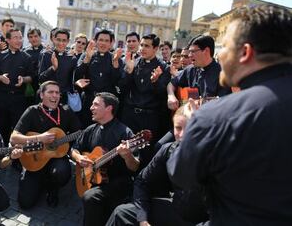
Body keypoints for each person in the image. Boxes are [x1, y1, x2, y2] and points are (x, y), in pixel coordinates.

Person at [167, 5, 292, 225]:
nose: (221, 54)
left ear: (245, 53)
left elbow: (181, 174)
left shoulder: (214, 118)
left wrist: (192, 128)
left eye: (225, 47)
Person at [106, 103, 208, 226]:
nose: (182, 135)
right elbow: (142, 181)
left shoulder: (218, 156)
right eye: (178, 128)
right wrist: (143, 219)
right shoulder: (168, 150)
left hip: (206, 219)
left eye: (189, 128)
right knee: (122, 213)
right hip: (178, 210)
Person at [10, 81, 81, 208]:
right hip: (34, 158)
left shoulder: (66, 110)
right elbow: (14, 138)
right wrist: (40, 138)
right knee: (25, 203)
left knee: (62, 173)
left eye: (57, 93)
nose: (55, 96)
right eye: (50, 92)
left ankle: (52, 188)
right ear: (42, 95)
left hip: (56, 157)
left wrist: (73, 149)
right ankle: (39, 180)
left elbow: (79, 133)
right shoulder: (32, 111)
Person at [71, 92, 139, 226]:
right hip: (93, 178)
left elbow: (135, 166)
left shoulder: (125, 133)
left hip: (117, 181)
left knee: (90, 197)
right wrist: (78, 157)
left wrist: (127, 155)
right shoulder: (91, 129)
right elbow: (73, 149)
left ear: (109, 108)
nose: (91, 108)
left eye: (95, 104)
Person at [119, 33, 170, 167]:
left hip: (149, 117)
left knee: (145, 154)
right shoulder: (133, 63)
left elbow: (163, 95)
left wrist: (156, 82)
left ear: (156, 48)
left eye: (146, 46)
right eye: (141, 45)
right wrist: (128, 72)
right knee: (125, 150)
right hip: (130, 115)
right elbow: (123, 88)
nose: (142, 48)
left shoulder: (163, 67)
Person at [0, 28, 33, 144]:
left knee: (18, 130)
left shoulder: (26, 57)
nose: (19, 40)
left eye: (20, 37)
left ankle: (15, 156)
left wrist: (23, 79)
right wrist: (0, 78)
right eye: (15, 38)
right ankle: (0, 155)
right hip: (1, 98)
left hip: (19, 99)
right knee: (0, 127)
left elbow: (32, 77)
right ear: (7, 40)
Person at [167, 35, 230, 111]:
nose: (190, 55)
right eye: (189, 52)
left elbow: (224, 103)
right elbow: (172, 84)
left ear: (206, 51)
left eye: (193, 51)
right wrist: (171, 96)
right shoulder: (190, 70)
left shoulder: (223, 74)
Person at [76, 29, 123, 126]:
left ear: (111, 43)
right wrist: (87, 58)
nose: (103, 43)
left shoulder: (115, 58)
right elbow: (77, 75)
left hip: (107, 104)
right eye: (101, 40)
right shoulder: (87, 55)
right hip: (88, 101)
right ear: (96, 41)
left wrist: (115, 64)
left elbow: (117, 82)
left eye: (107, 41)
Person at [38, 28, 77, 104]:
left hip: (63, 98)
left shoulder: (72, 58)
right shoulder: (46, 54)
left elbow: (72, 80)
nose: (61, 43)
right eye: (58, 40)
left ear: (68, 41)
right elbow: (40, 78)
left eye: (64, 40)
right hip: (47, 97)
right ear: (54, 39)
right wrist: (53, 68)